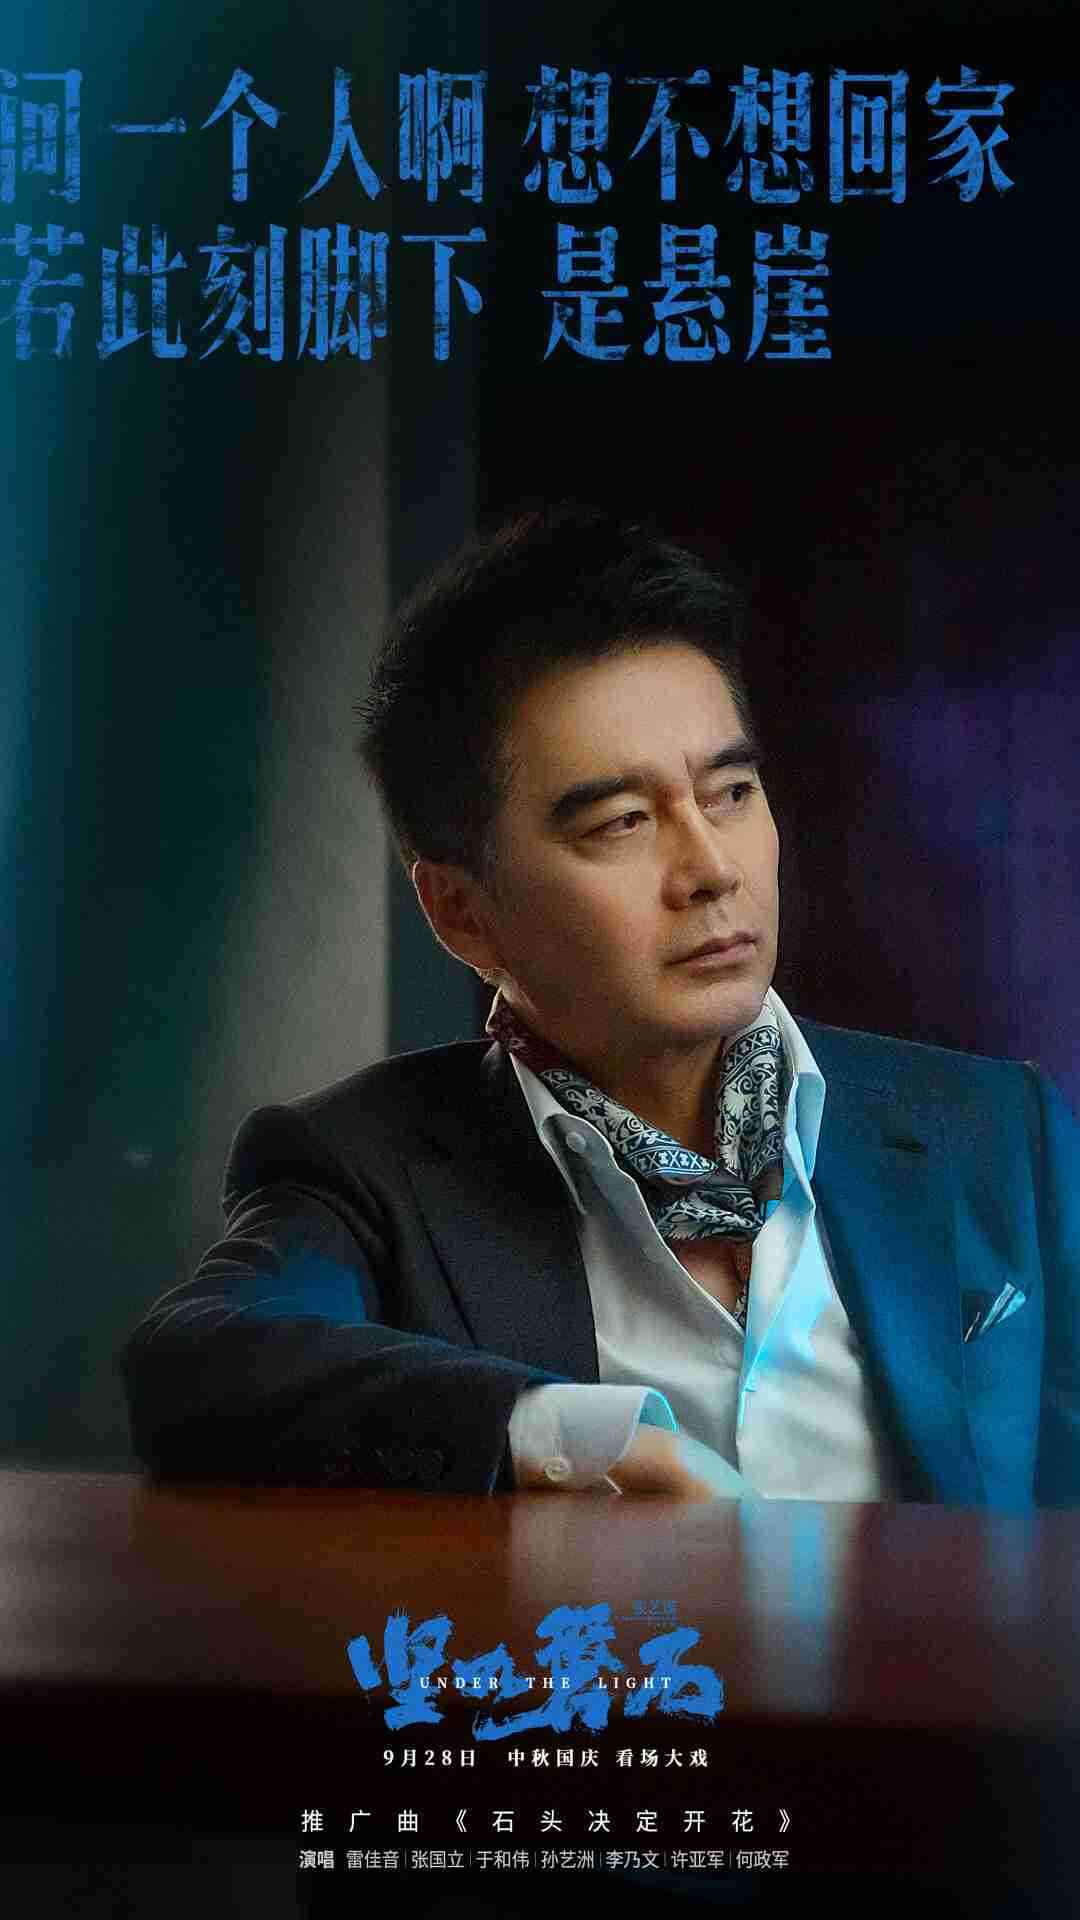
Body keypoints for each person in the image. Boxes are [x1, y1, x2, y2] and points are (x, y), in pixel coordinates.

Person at [120, 506, 1080, 1506]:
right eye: (623, 822)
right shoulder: (367, 1170)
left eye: (731, 792)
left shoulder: (996, 1135)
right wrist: (566, 1441)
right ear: (461, 912)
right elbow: (195, 1363)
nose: (711, 869)